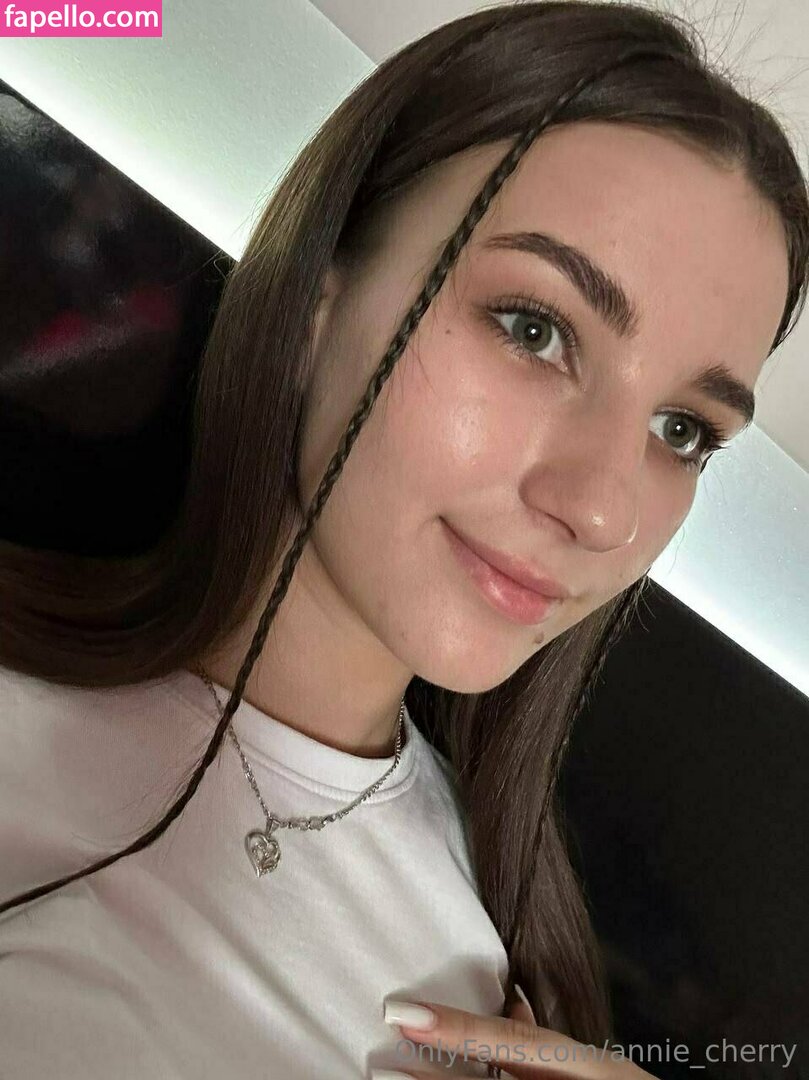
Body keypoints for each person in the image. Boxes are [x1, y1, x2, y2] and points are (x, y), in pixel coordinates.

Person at [0, 2, 806, 1078]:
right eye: (534, 329)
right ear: (318, 301)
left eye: (681, 431)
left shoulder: (493, 964)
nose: (603, 510)